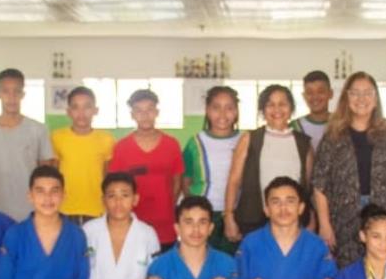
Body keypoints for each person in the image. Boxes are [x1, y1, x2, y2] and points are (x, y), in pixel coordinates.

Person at [311, 71, 386, 267]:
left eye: (367, 93)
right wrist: (324, 225)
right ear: (346, 97)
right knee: (347, 272)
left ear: (376, 99)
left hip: (383, 216)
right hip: (343, 217)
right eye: (355, 93)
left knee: (381, 270)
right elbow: (319, 183)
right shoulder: (334, 134)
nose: (361, 99)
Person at [223, 84, 313, 244]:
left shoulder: (304, 143)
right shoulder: (249, 139)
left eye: (282, 104)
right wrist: (229, 216)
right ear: (263, 110)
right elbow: (234, 180)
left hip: (293, 223)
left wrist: (312, 218)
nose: (277, 109)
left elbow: (309, 187)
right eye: (270, 104)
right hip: (253, 221)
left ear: (291, 108)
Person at [0, 67, 55, 222]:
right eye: (6, 91)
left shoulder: (38, 130)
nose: (11, 97)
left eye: (16, 91)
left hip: (29, 211)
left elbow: (46, 175)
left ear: (23, 94)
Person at [107, 89, 184, 248]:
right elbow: (115, 186)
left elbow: (177, 181)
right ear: (132, 115)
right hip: (132, 222)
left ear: (157, 112)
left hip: (165, 223)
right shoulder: (122, 147)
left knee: (163, 263)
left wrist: (168, 206)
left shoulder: (171, 144)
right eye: (139, 110)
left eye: (149, 109)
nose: (145, 115)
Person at [236, 177, 338, 279]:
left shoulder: (317, 245)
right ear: (266, 210)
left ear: (301, 208)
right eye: (276, 202)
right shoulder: (250, 243)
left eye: (290, 201)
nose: (283, 208)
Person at [181, 84, 242, 250]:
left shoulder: (245, 140)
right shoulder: (195, 142)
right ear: (207, 111)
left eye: (229, 108)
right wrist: (194, 209)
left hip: (236, 214)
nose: (222, 114)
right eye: (216, 108)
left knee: (230, 262)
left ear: (236, 111)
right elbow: (186, 180)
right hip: (203, 215)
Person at [50, 85, 115, 223]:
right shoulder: (57, 137)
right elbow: (53, 175)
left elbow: (107, 176)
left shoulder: (106, 139)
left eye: (87, 107)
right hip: (64, 208)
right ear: (68, 112)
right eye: (75, 107)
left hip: (97, 209)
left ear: (95, 110)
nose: (81, 113)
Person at [147, 196, 238, 279]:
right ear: (177, 228)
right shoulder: (159, 266)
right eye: (189, 222)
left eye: (202, 222)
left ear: (210, 228)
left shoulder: (228, 265)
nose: (196, 229)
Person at [291, 70, 333, 150]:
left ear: (330, 93)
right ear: (304, 96)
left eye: (320, 91)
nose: (315, 97)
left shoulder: (342, 124)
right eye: (310, 92)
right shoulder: (294, 126)